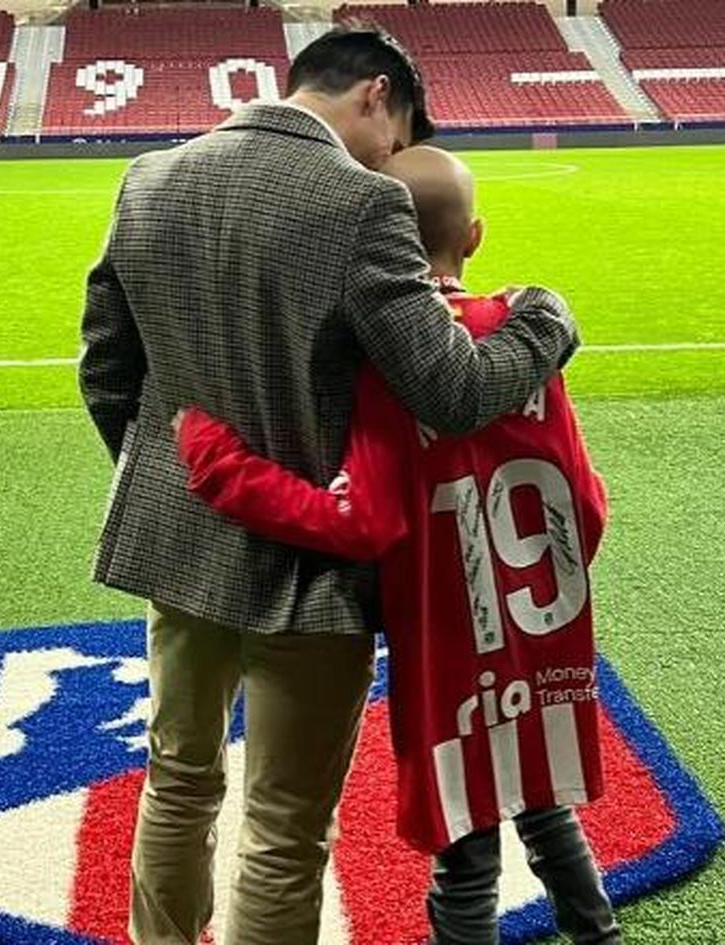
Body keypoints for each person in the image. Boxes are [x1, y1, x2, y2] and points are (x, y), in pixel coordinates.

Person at [78, 23, 582, 945]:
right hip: (312, 569)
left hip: (180, 549)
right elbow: (452, 389)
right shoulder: (364, 203)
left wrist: (177, 486)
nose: (392, 161)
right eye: (397, 138)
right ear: (375, 94)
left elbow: (108, 370)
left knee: (177, 780)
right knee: (284, 820)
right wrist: (546, 319)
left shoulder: (147, 178)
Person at [174, 146, 620, 945]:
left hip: (449, 636)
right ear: (474, 236)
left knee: (467, 844)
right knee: (541, 798)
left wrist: (217, 459)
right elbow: (586, 502)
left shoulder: (384, 362)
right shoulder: (525, 335)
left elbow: (364, 523)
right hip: (539, 625)